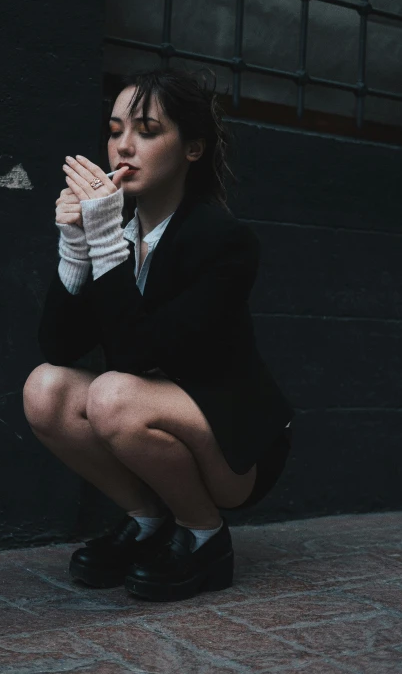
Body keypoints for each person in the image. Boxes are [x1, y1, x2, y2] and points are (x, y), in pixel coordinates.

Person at [23, 67, 295, 602]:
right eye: (115, 129)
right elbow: (58, 347)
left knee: (112, 393)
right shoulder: (121, 230)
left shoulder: (224, 241)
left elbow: (135, 355)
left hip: (234, 449)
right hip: (145, 413)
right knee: (45, 388)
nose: (124, 147)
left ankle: (204, 535)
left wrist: (102, 236)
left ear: (192, 148)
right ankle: (149, 523)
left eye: (147, 131)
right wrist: (76, 246)